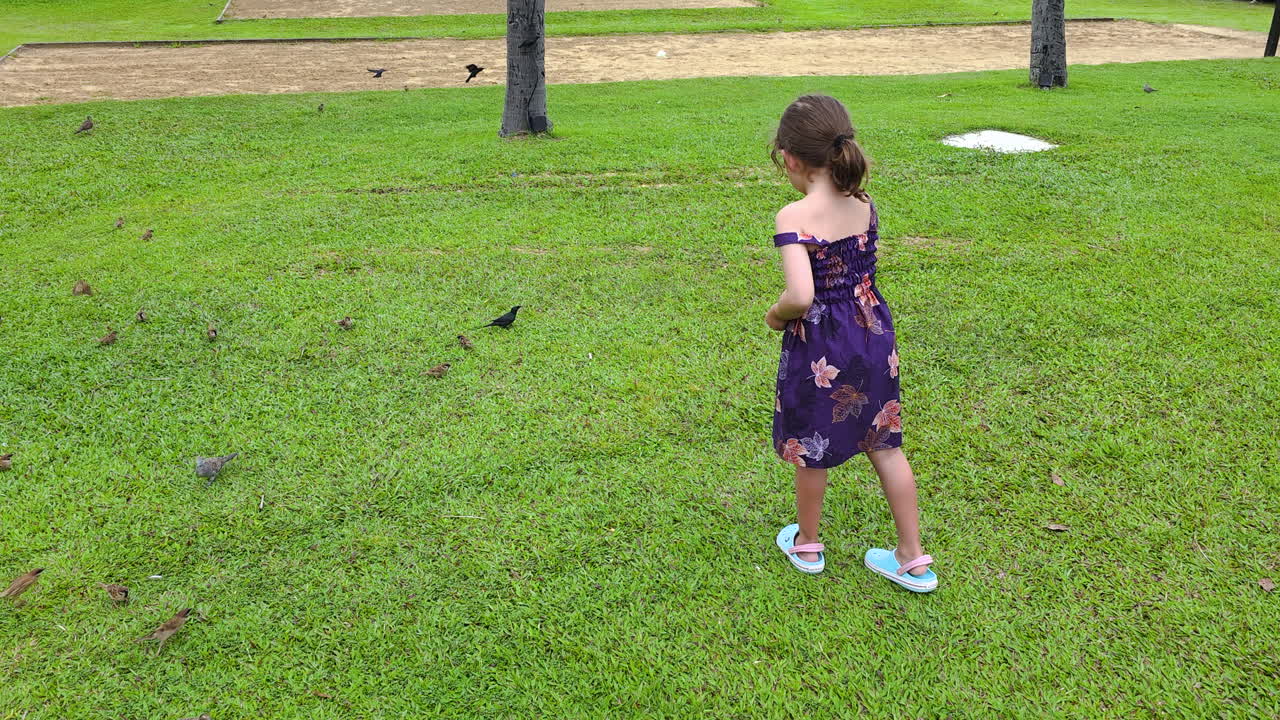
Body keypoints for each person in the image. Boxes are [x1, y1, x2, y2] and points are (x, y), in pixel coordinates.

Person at [765, 94, 936, 592]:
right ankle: (911, 557)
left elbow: (801, 294)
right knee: (886, 442)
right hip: (874, 334)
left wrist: (775, 315)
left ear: (790, 158)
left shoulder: (792, 215)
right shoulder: (863, 203)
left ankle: (808, 544)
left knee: (811, 445)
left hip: (820, 344)